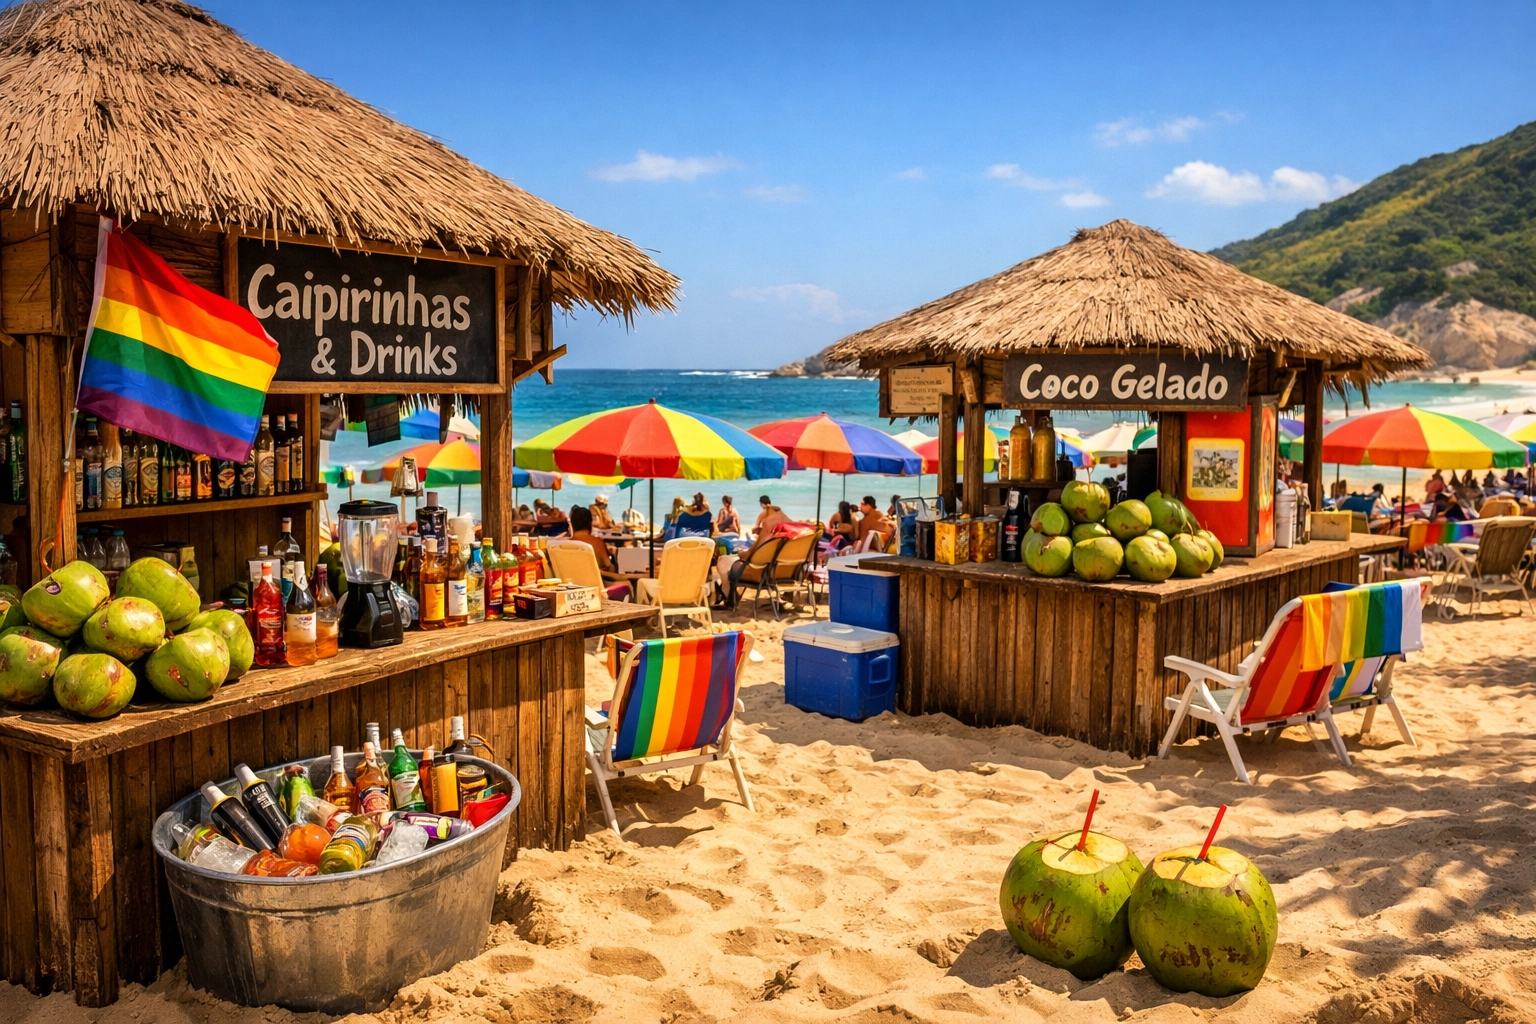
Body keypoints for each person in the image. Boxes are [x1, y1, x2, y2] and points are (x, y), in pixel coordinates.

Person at [568, 506, 631, 601]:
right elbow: (609, 566)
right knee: (628, 584)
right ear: (590, 524)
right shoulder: (597, 542)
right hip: (597, 590)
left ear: (572, 524)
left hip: (572, 590)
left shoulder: (565, 545)